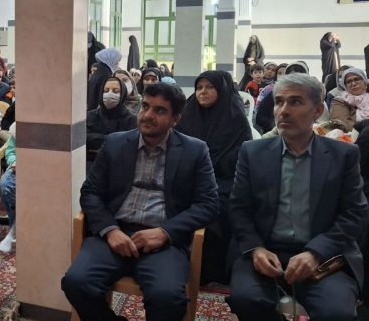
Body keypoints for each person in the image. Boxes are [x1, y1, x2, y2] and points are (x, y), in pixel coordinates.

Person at [62, 83, 219, 321]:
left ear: (175, 119)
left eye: (159, 110)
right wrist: (110, 230)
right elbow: (90, 191)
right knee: (76, 283)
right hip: (115, 236)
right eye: (145, 106)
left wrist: (165, 232)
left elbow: (209, 204)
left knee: (168, 298)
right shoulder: (115, 143)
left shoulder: (194, 150)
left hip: (163, 243)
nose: (147, 115)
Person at [227, 73, 368, 320]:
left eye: (295, 102)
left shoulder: (342, 155)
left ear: (318, 110)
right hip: (266, 251)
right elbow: (239, 208)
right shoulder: (253, 152)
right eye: (279, 102)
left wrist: (315, 253)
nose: (283, 110)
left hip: (324, 254)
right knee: (245, 299)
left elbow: (354, 213)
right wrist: (256, 248)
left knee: (336, 313)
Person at [175, 71, 252, 285]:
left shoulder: (235, 117)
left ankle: (209, 270)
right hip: (189, 176)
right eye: (199, 87)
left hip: (223, 179)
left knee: (218, 205)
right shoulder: (187, 112)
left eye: (210, 87)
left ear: (222, 90)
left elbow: (241, 157)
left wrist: (209, 163)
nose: (203, 92)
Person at [86, 77, 137, 170]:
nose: (109, 94)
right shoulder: (90, 116)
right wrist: (114, 140)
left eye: (115, 91)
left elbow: (129, 146)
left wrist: (98, 142)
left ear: (123, 94)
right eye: (105, 91)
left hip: (119, 168)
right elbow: (83, 139)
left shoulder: (131, 120)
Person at [256, 62, 309, 134]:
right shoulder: (276, 93)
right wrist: (277, 125)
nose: (295, 81)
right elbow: (260, 117)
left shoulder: (310, 95)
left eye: (298, 78)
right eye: (291, 77)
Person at [0, 122, 17, 253]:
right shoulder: (18, 126)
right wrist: (14, 162)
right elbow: (10, 151)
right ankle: (14, 229)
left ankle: (14, 232)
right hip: (19, 165)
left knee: (33, 190)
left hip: (43, 167)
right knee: (6, 186)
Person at [331, 68, 369, 132]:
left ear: (365, 82)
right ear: (345, 86)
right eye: (349, 82)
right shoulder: (340, 101)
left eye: (356, 79)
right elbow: (341, 123)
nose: (353, 84)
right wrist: (364, 130)